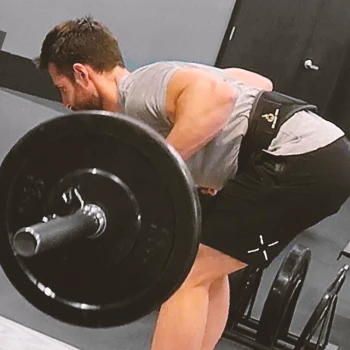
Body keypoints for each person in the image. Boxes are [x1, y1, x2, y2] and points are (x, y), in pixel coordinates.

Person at [35, 16, 350, 350]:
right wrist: (215, 162)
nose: (66, 104)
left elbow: (219, 94)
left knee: (186, 273)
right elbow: (257, 82)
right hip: (317, 156)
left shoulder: (137, 90)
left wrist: (163, 164)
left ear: (82, 74)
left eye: (62, 89)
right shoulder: (159, 84)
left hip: (299, 159)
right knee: (208, 273)